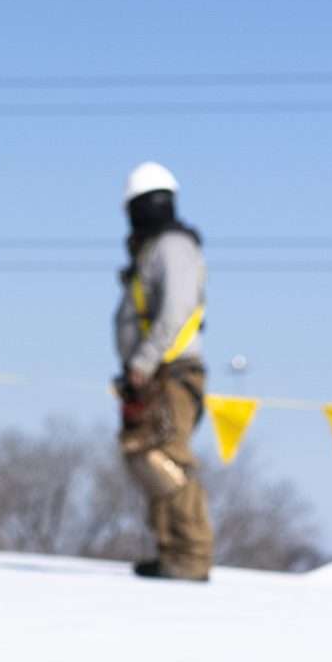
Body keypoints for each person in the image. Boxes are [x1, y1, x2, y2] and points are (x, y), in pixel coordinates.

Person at [114, 161, 214, 581]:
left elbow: (176, 310)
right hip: (152, 374)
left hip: (171, 371)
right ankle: (169, 549)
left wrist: (143, 360)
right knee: (143, 456)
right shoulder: (152, 251)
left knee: (166, 458)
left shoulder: (173, 247)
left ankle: (190, 554)